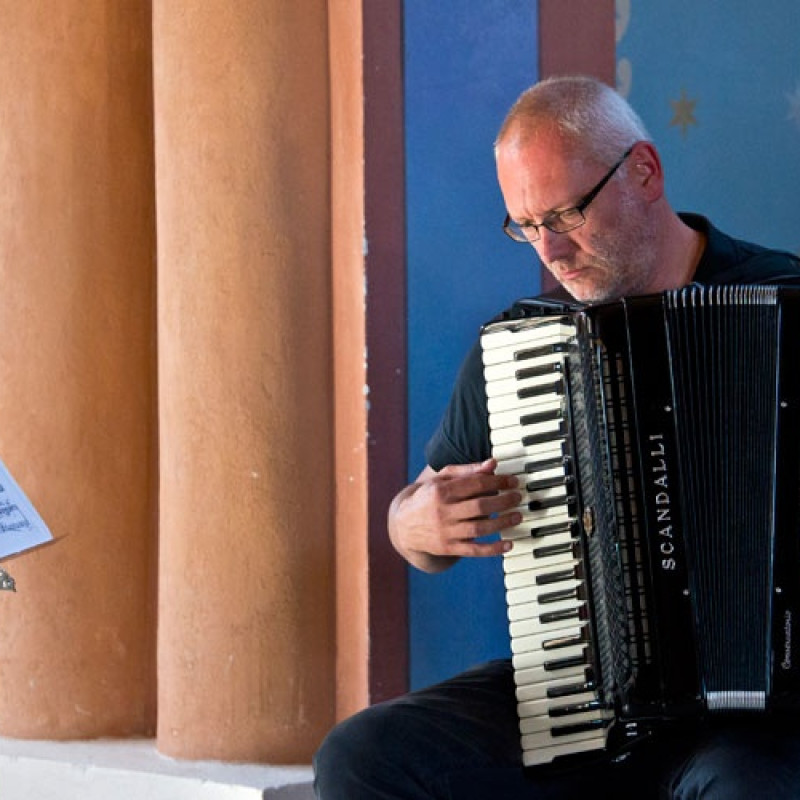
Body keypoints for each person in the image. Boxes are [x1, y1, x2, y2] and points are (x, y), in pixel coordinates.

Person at [313, 76, 800, 799]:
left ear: (645, 172)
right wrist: (410, 522)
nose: (551, 253)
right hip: (586, 698)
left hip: (764, 720)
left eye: (567, 214)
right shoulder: (523, 349)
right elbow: (423, 515)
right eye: (526, 226)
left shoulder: (782, 305)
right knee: (363, 754)